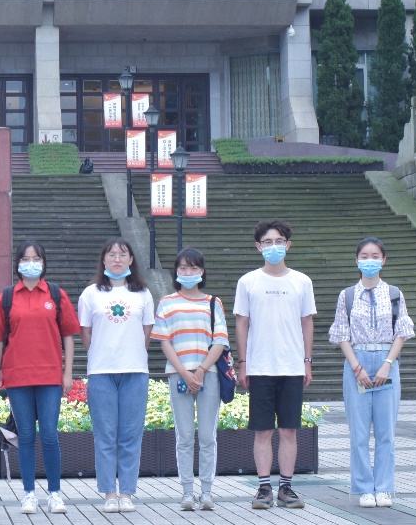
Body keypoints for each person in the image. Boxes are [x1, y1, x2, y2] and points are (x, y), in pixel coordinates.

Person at [0, 241, 81, 515]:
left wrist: (67, 373)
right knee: (25, 435)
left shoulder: (56, 295)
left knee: (49, 435)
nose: (31, 263)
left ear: (43, 262)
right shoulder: (7, 297)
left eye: (36, 258)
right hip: (18, 377)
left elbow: (68, 336)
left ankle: (55, 494)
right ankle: (28, 494)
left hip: (49, 375)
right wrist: (3, 367)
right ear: (17, 263)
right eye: (25, 259)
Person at [234, 219, 316, 510]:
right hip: (260, 366)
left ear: (288, 245)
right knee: (263, 431)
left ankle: (286, 488)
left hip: (292, 366)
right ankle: (263, 488)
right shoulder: (248, 281)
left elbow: (307, 322)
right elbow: (242, 323)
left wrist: (307, 362)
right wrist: (243, 363)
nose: (273, 247)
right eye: (267, 242)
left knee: (289, 430)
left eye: (279, 241)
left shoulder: (302, 281)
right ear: (259, 247)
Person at [328, 237, 415, 509]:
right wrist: (357, 367)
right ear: (356, 260)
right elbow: (342, 334)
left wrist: (388, 363)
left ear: (384, 260)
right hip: (358, 360)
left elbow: (402, 332)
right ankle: (364, 488)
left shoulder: (395, 294)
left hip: (387, 360)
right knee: (359, 432)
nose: (369, 261)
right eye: (364, 256)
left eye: (375, 256)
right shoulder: (347, 296)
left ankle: (384, 487)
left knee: (386, 431)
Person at [77, 237, 154, 514]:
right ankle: (110, 492)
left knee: (131, 435)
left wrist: (130, 353)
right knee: (105, 435)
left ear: (131, 260)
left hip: (135, 371)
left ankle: (127, 493)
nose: (117, 259)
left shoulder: (143, 294)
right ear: (104, 260)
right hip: (101, 372)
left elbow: (146, 332)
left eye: (123, 254)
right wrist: (101, 353)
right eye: (111, 254)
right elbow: (85, 331)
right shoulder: (90, 294)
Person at [152, 247, 229, 512]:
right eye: (183, 268)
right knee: (184, 436)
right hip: (179, 375)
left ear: (202, 271)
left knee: (207, 436)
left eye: (193, 268)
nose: (188, 273)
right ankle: (187, 492)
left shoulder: (213, 303)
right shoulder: (167, 303)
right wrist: (185, 372)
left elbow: (220, 341)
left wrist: (201, 370)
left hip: (208, 375)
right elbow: (164, 342)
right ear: (176, 271)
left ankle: (206, 492)